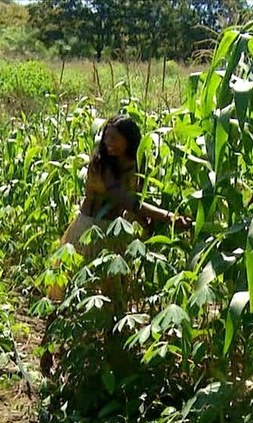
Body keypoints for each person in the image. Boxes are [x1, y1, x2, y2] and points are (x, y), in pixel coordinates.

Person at [41, 114, 192, 370]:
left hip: (114, 234)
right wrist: (169, 217)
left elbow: (136, 199)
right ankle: (46, 348)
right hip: (88, 230)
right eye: (106, 136)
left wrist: (147, 224)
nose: (107, 142)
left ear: (129, 141)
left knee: (113, 296)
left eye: (114, 138)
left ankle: (111, 355)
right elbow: (125, 199)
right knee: (65, 293)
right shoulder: (100, 164)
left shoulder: (133, 163)